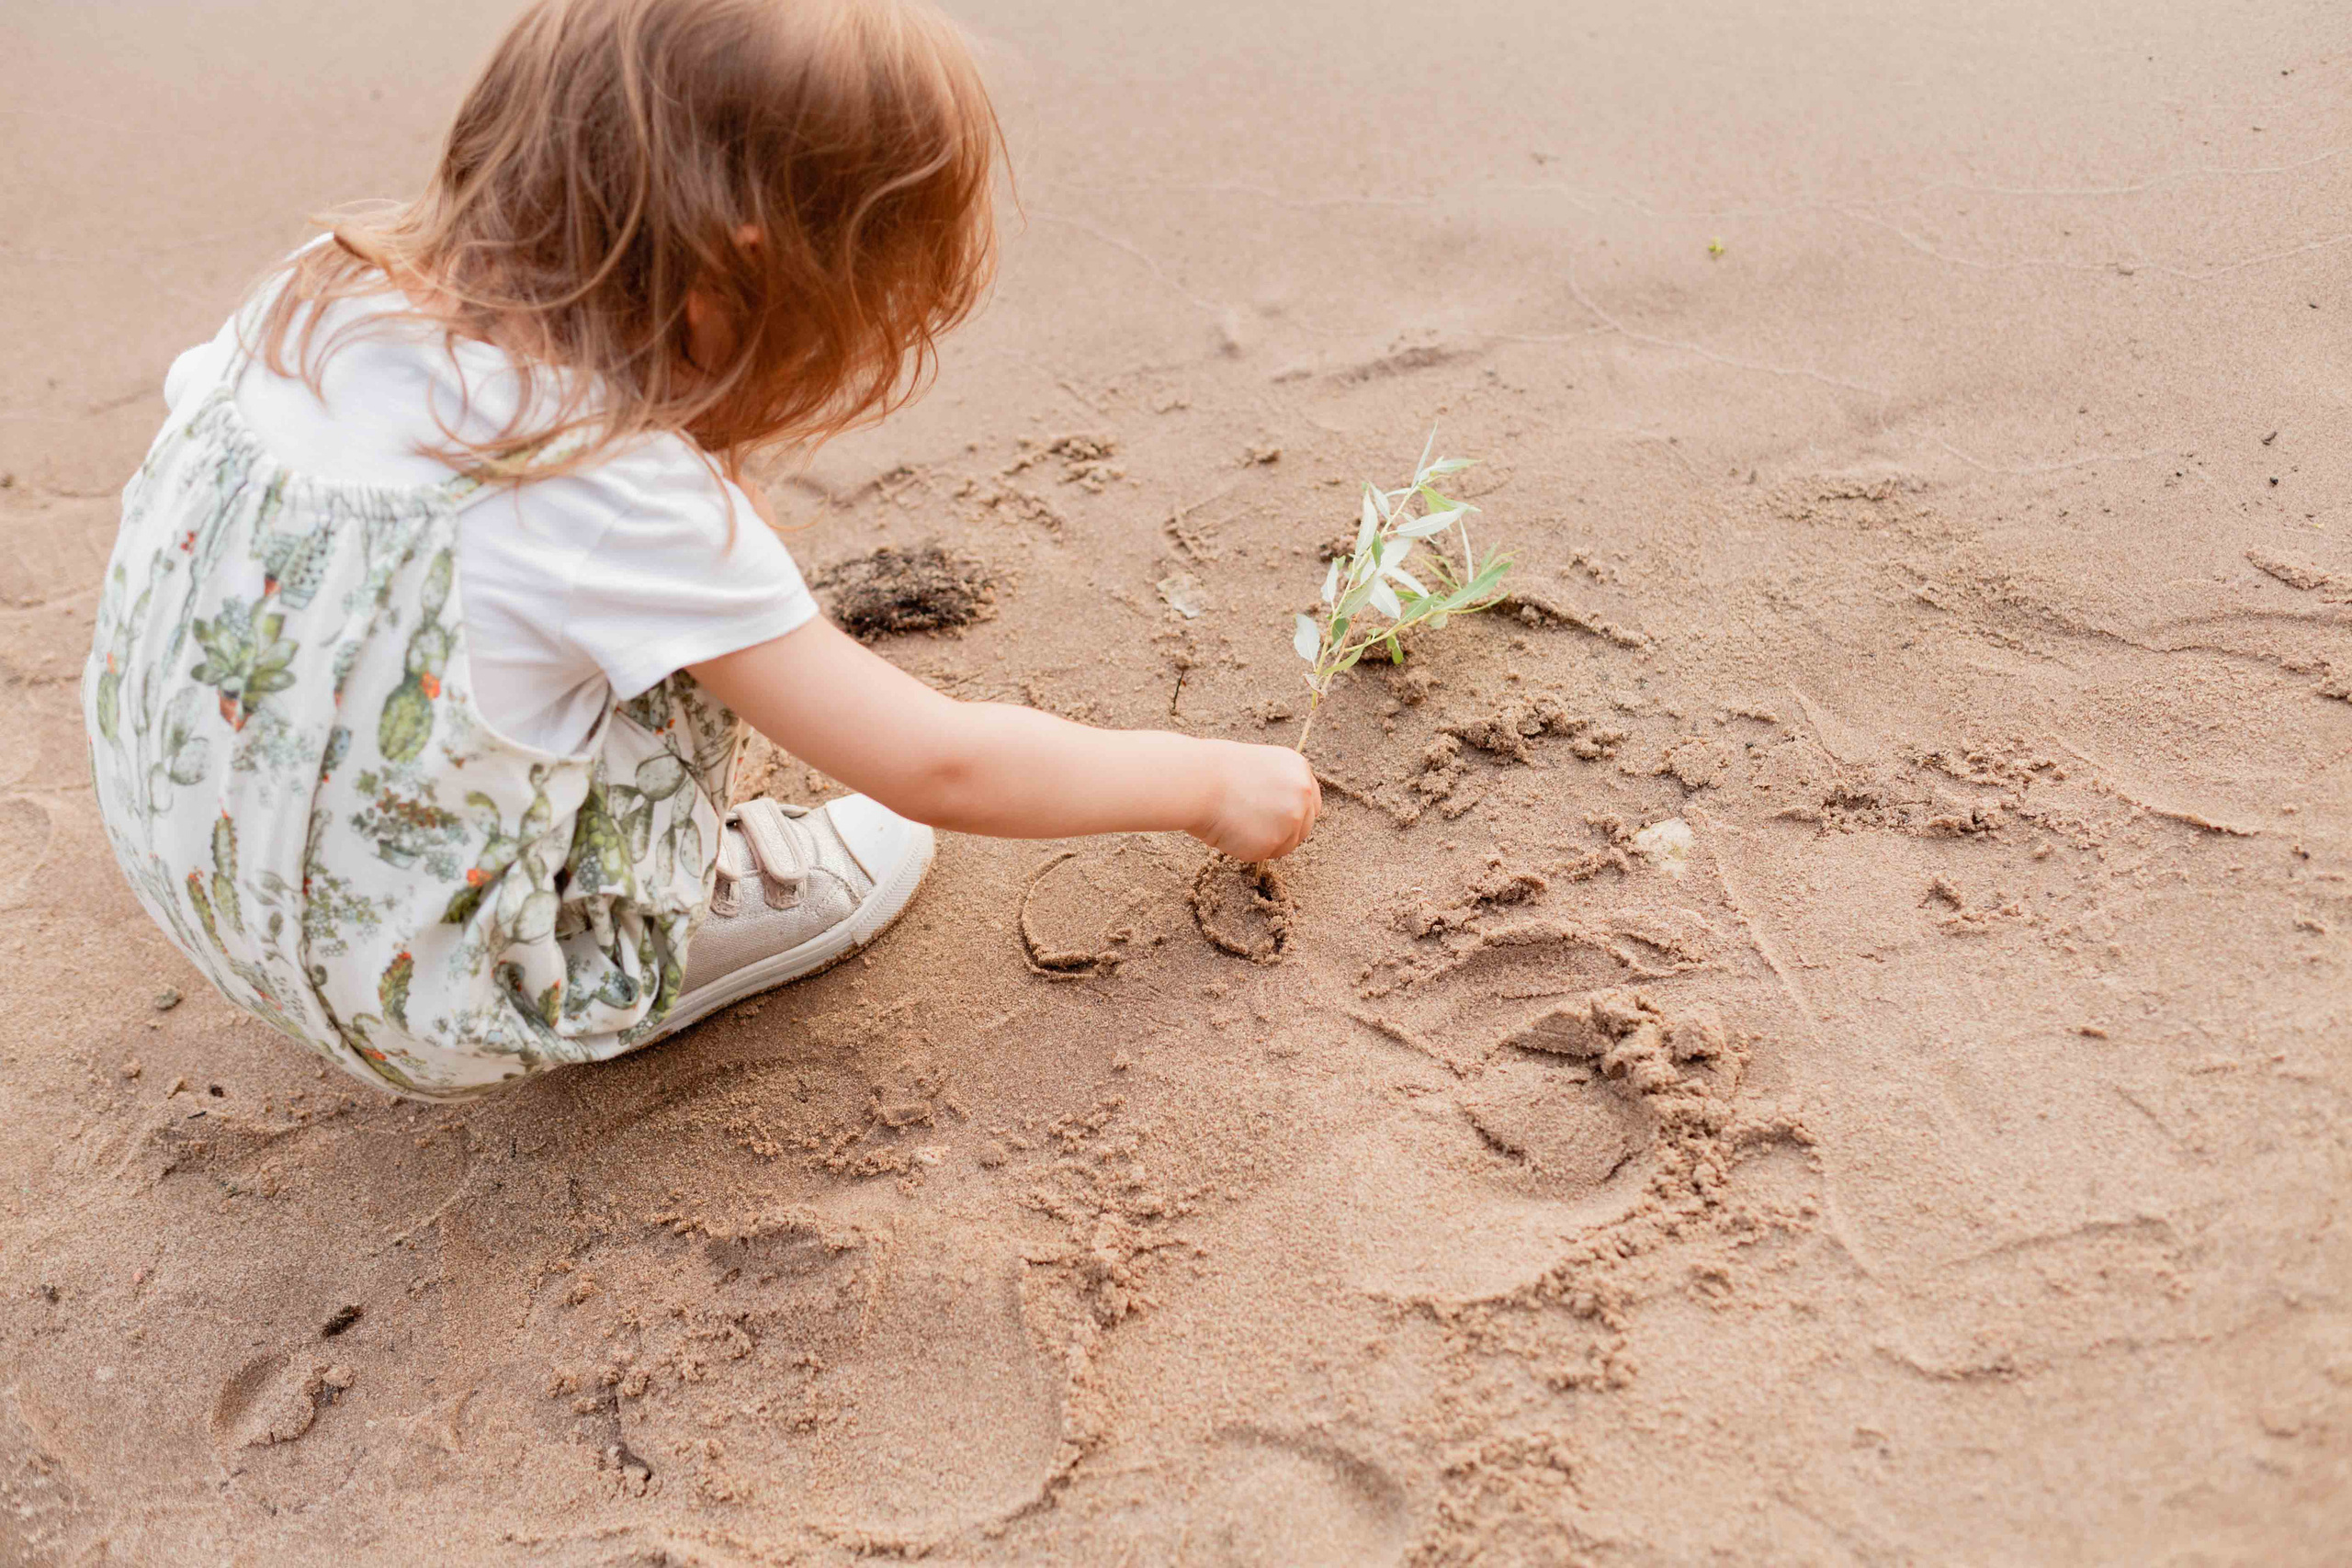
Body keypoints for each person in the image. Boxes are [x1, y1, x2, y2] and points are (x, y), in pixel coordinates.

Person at [82, 0, 1318, 1100]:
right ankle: (619, 947)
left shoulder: (321, 294)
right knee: (685, 628)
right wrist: (1209, 786)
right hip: (417, 1009)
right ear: (756, 266)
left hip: (192, 869)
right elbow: (936, 765)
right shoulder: (610, 492)